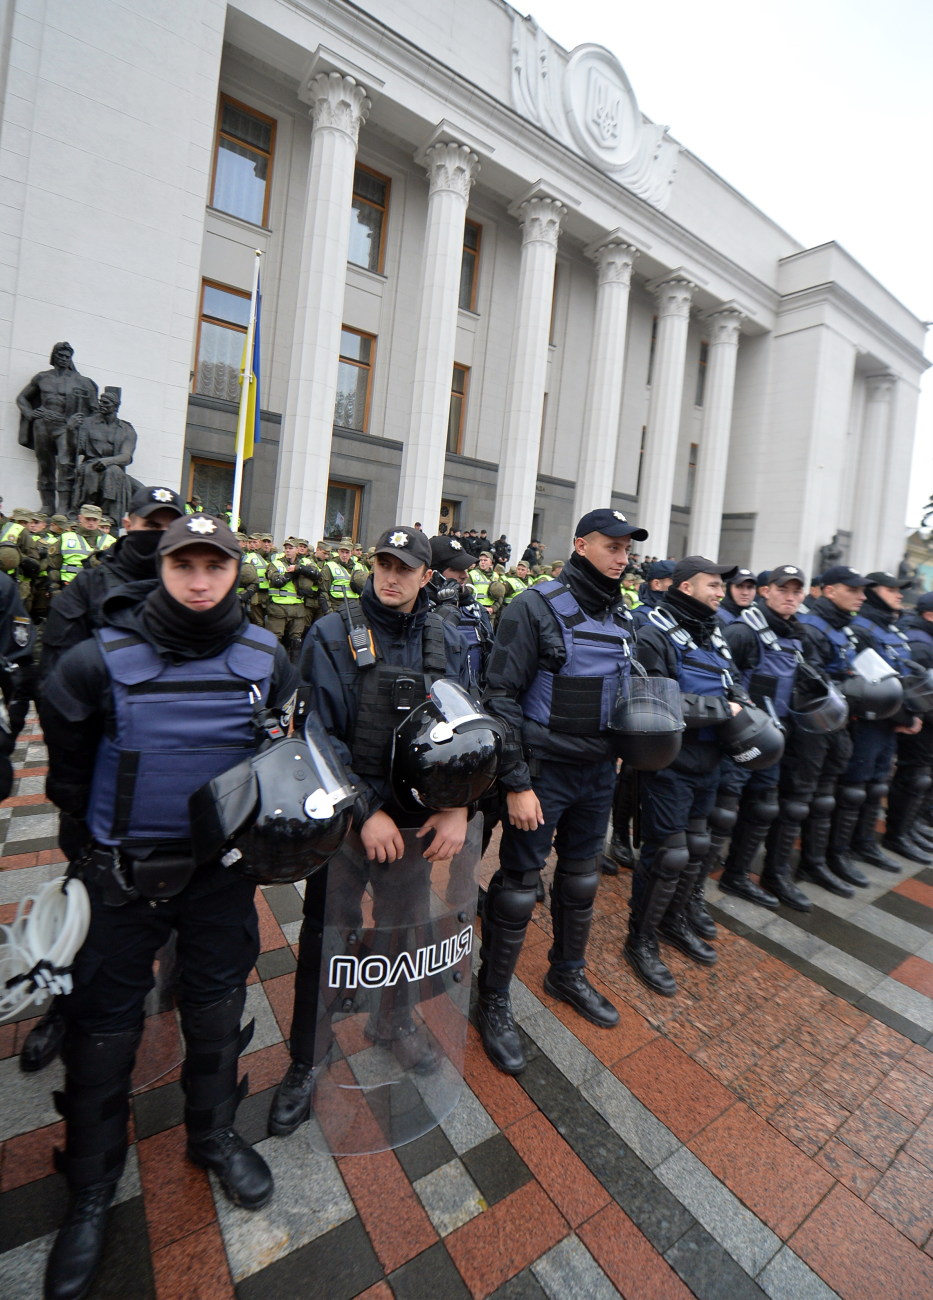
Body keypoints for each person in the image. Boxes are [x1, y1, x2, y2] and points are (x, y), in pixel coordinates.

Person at [38, 514, 298, 1300]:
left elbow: (279, 753)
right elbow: (69, 776)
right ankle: (89, 1190)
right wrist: (98, 852)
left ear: (232, 573)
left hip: (219, 879)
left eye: (214, 566)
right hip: (121, 877)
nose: (198, 579)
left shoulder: (266, 656)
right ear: (163, 567)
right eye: (184, 563)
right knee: (101, 1036)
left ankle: (213, 1138)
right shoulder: (98, 659)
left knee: (216, 1014)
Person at [268, 524, 471, 1135]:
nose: (391, 576)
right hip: (347, 823)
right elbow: (315, 734)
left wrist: (458, 805)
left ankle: (394, 1022)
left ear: (425, 577)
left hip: (413, 825)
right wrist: (364, 810)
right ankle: (308, 1055)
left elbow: (466, 726)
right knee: (329, 936)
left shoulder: (448, 639)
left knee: (404, 932)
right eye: (383, 563)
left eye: (404, 567)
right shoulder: (333, 634)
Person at [477, 509, 647, 1073]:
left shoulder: (620, 614)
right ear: (581, 544)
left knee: (580, 878)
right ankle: (493, 999)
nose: (622, 558)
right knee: (520, 887)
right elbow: (499, 696)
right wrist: (517, 783)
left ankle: (566, 972)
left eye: (628, 549)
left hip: (598, 772)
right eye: (612, 546)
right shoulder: (535, 605)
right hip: (543, 771)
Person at [629, 556, 743, 996]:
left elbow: (733, 682)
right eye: (712, 584)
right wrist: (723, 711)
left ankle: (674, 922)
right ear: (686, 587)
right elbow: (656, 702)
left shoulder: (711, 628)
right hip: (670, 764)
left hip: (711, 758)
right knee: (667, 853)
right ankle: (640, 940)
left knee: (697, 847)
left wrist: (742, 706)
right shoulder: (653, 631)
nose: (720, 592)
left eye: (721, 585)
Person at [717, 565, 821, 910]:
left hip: (774, 741)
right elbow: (722, 681)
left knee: (763, 809)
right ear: (767, 591)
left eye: (796, 591)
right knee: (722, 815)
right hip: (739, 741)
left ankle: (738, 875)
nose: (790, 597)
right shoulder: (744, 631)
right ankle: (688, 898)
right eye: (783, 590)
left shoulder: (797, 634)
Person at [792, 565, 869, 896]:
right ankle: (786, 870)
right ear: (829, 590)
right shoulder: (811, 627)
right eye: (853, 589)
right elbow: (810, 684)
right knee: (799, 800)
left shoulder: (844, 626)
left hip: (838, 723)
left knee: (826, 798)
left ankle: (819, 861)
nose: (862, 596)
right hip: (813, 726)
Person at [841, 570, 922, 871]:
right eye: (892, 590)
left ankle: (863, 843)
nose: (900, 594)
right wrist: (906, 716)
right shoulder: (863, 628)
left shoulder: (890, 626)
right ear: (875, 593)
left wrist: (909, 713)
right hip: (870, 721)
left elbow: (902, 677)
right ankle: (841, 850)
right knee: (855, 788)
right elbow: (873, 684)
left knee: (876, 785)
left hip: (890, 720)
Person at [16, 342, 99, 514]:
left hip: (65, 426)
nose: (63, 359)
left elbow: (94, 411)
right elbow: (22, 398)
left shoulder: (82, 382)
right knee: (45, 465)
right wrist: (30, 414)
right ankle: (47, 505)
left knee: (66, 464)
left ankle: (63, 507)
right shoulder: (42, 377)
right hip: (43, 424)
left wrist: (79, 422)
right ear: (54, 357)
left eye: (67, 357)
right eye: (60, 356)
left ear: (70, 359)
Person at [70, 386, 138, 522]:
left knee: (114, 472)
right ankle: (87, 510)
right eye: (101, 401)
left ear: (116, 406)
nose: (101, 405)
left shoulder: (126, 429)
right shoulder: (88, 423)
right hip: (90, 464)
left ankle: (109, 514)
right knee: (92, 471)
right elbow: (77, 449)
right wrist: (71, 430)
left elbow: (126, 456)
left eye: (106, 403)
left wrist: (107, 461)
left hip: (113, 466)